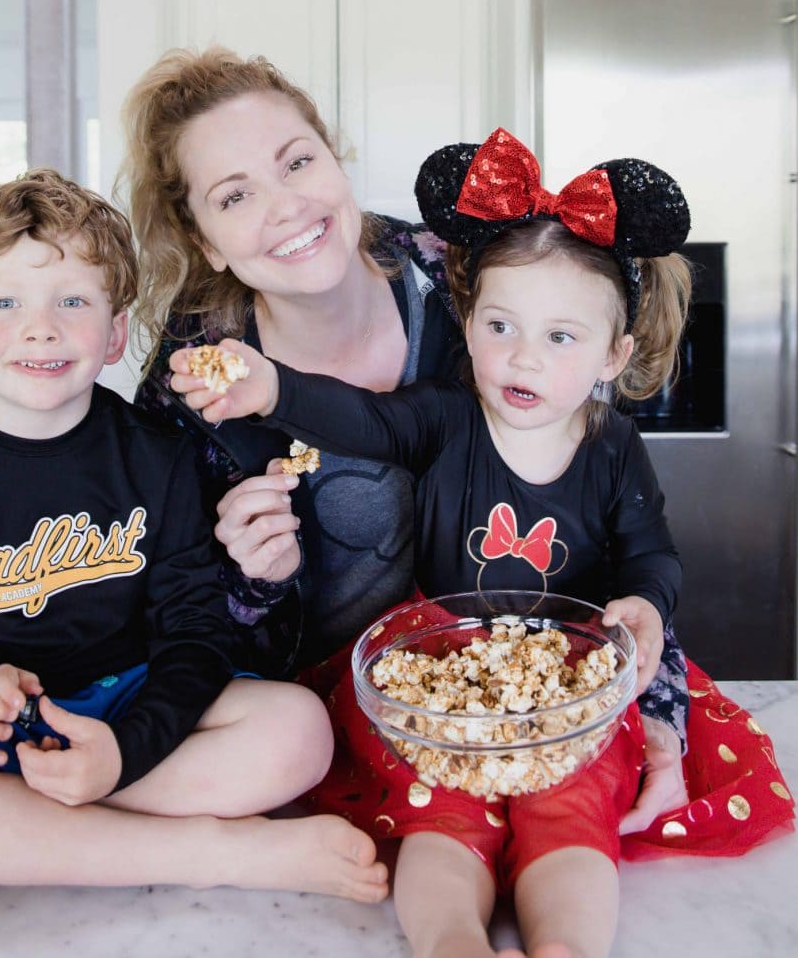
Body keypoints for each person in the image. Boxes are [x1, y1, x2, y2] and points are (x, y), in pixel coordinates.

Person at [169, 128, 795, 958]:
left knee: (573, 813)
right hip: (439, 673)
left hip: (574, 672)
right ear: (467, 323)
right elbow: (360, 418)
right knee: (442, 810)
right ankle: (451, 942)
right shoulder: (443, 415)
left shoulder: (612, 448)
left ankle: (565, 944)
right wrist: (270, 385)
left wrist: (644, 604)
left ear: (614, 353)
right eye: (500, 325)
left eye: (560, 338)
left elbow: (652, 553)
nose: (521, 357)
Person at [124, 47, 691, 828]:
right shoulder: (194, 380)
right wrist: (251, 583)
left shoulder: (468, 280)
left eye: (297, 161)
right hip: (314, 740)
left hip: (511, 706)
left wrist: (656, 709)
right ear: (206, 240)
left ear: (335, 157)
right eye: (234, 195)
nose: (285, 205)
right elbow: (157, 621)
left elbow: (601, 529)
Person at [0, 169, 388, 939]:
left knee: (298, 732)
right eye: (4, 304)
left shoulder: (154, 456)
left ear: (117, 333)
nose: (41, 327)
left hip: (128, 702)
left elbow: (196, 632)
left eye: (73, 301)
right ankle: (213, 852)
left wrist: (125, 750)